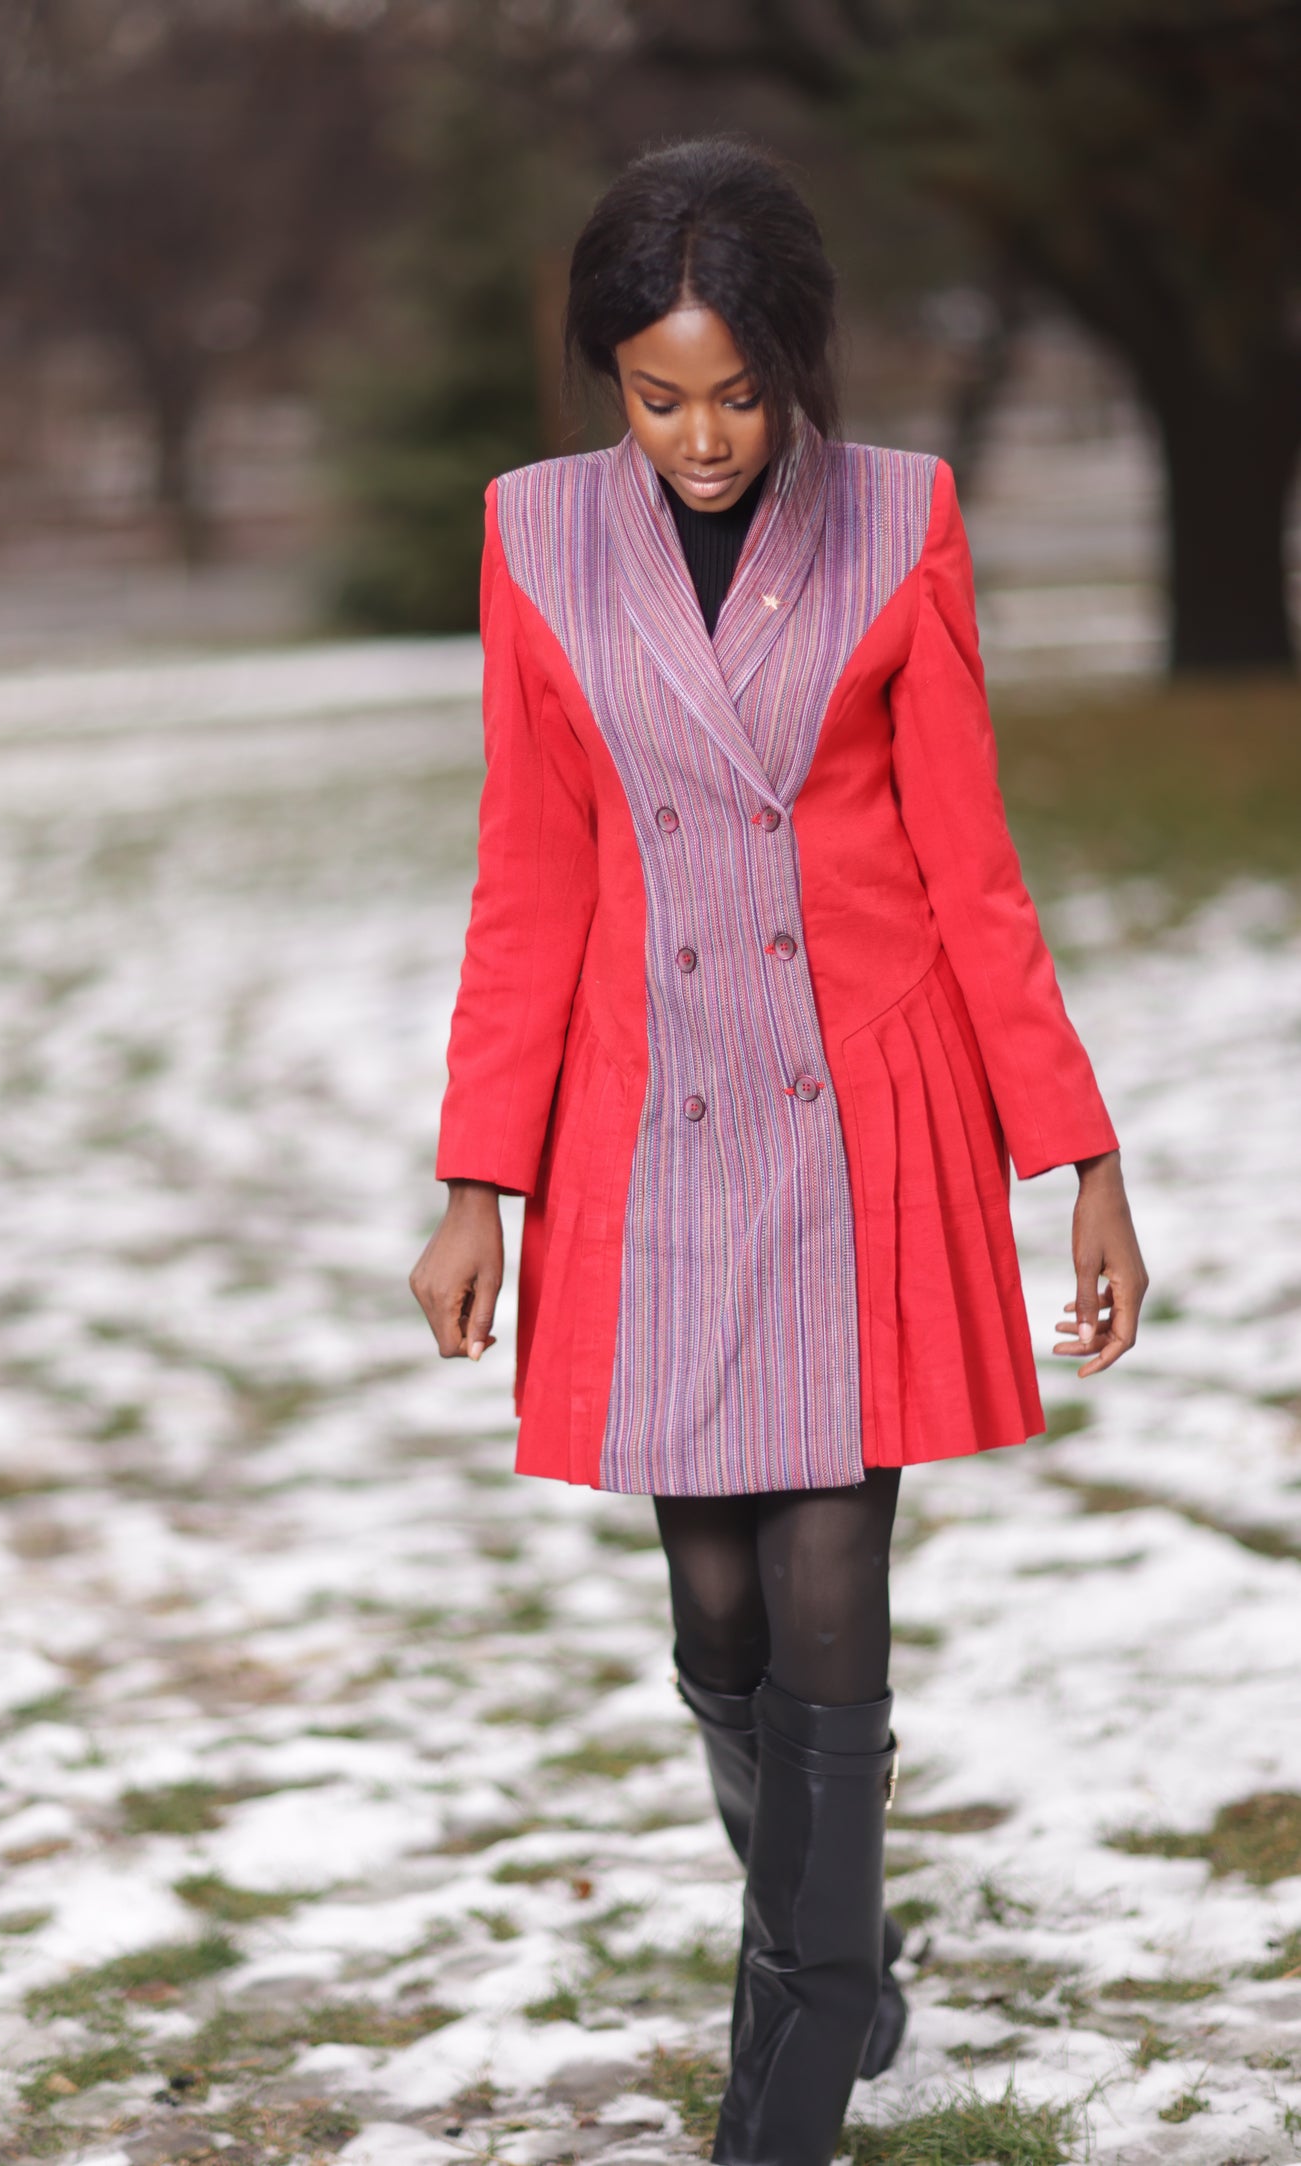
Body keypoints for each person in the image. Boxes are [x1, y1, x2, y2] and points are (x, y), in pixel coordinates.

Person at [410, 137, 1147, 2166]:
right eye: (659, 393)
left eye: (741, 391)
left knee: (832, 1593)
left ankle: (801, 2056)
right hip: (650, 1125)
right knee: (716, 1619)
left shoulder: (902, 517)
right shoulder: (537, 536)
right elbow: (530, 874)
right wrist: (481, 1175)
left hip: (861, 1110)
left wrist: (1073, 1149)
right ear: (605, 377)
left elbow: (968, 858)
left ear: (802, 364)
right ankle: (822, 1931)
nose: (706, 436)